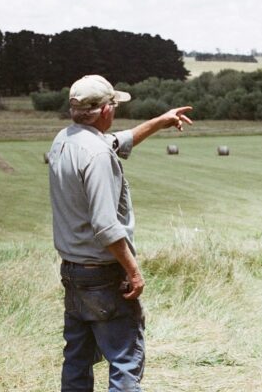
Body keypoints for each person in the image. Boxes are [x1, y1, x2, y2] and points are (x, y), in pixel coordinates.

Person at [48, 74, 193, 391]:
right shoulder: (98, 156)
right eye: (113, 103)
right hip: (103, 274)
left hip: (73, 271)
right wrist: (133, 271)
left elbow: (119, 140)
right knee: (125, 362)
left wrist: (161, 121)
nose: (115, 110)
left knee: (77, 360)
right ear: (103, 111)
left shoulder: (65, 140)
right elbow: (106, 225)